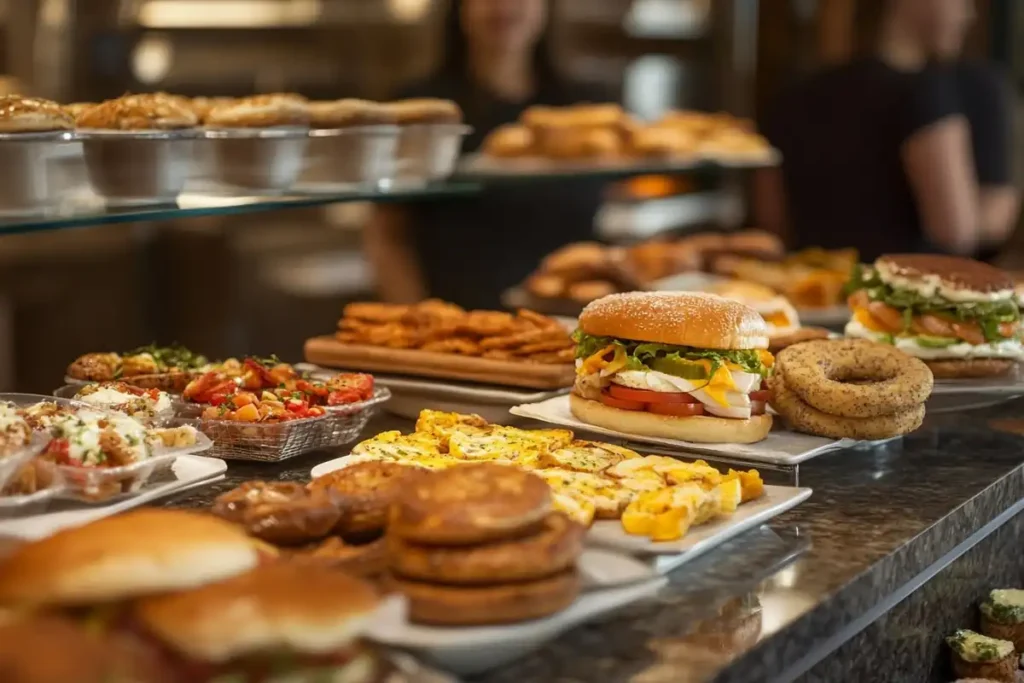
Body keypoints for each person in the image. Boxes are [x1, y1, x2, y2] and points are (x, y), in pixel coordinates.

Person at [364, 0, 609, 309]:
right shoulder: (420, 108)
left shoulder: (586, 109)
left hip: (575, 326)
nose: (503, 7)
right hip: (460, 327)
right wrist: (417, 325)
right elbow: (388, 236)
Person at [754, 0, 1019, 262]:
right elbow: (955, 231)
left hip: (813, 290)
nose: (968, 13)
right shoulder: (925, 94)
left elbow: (772, 223)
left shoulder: (791, 98)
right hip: (896, 293)